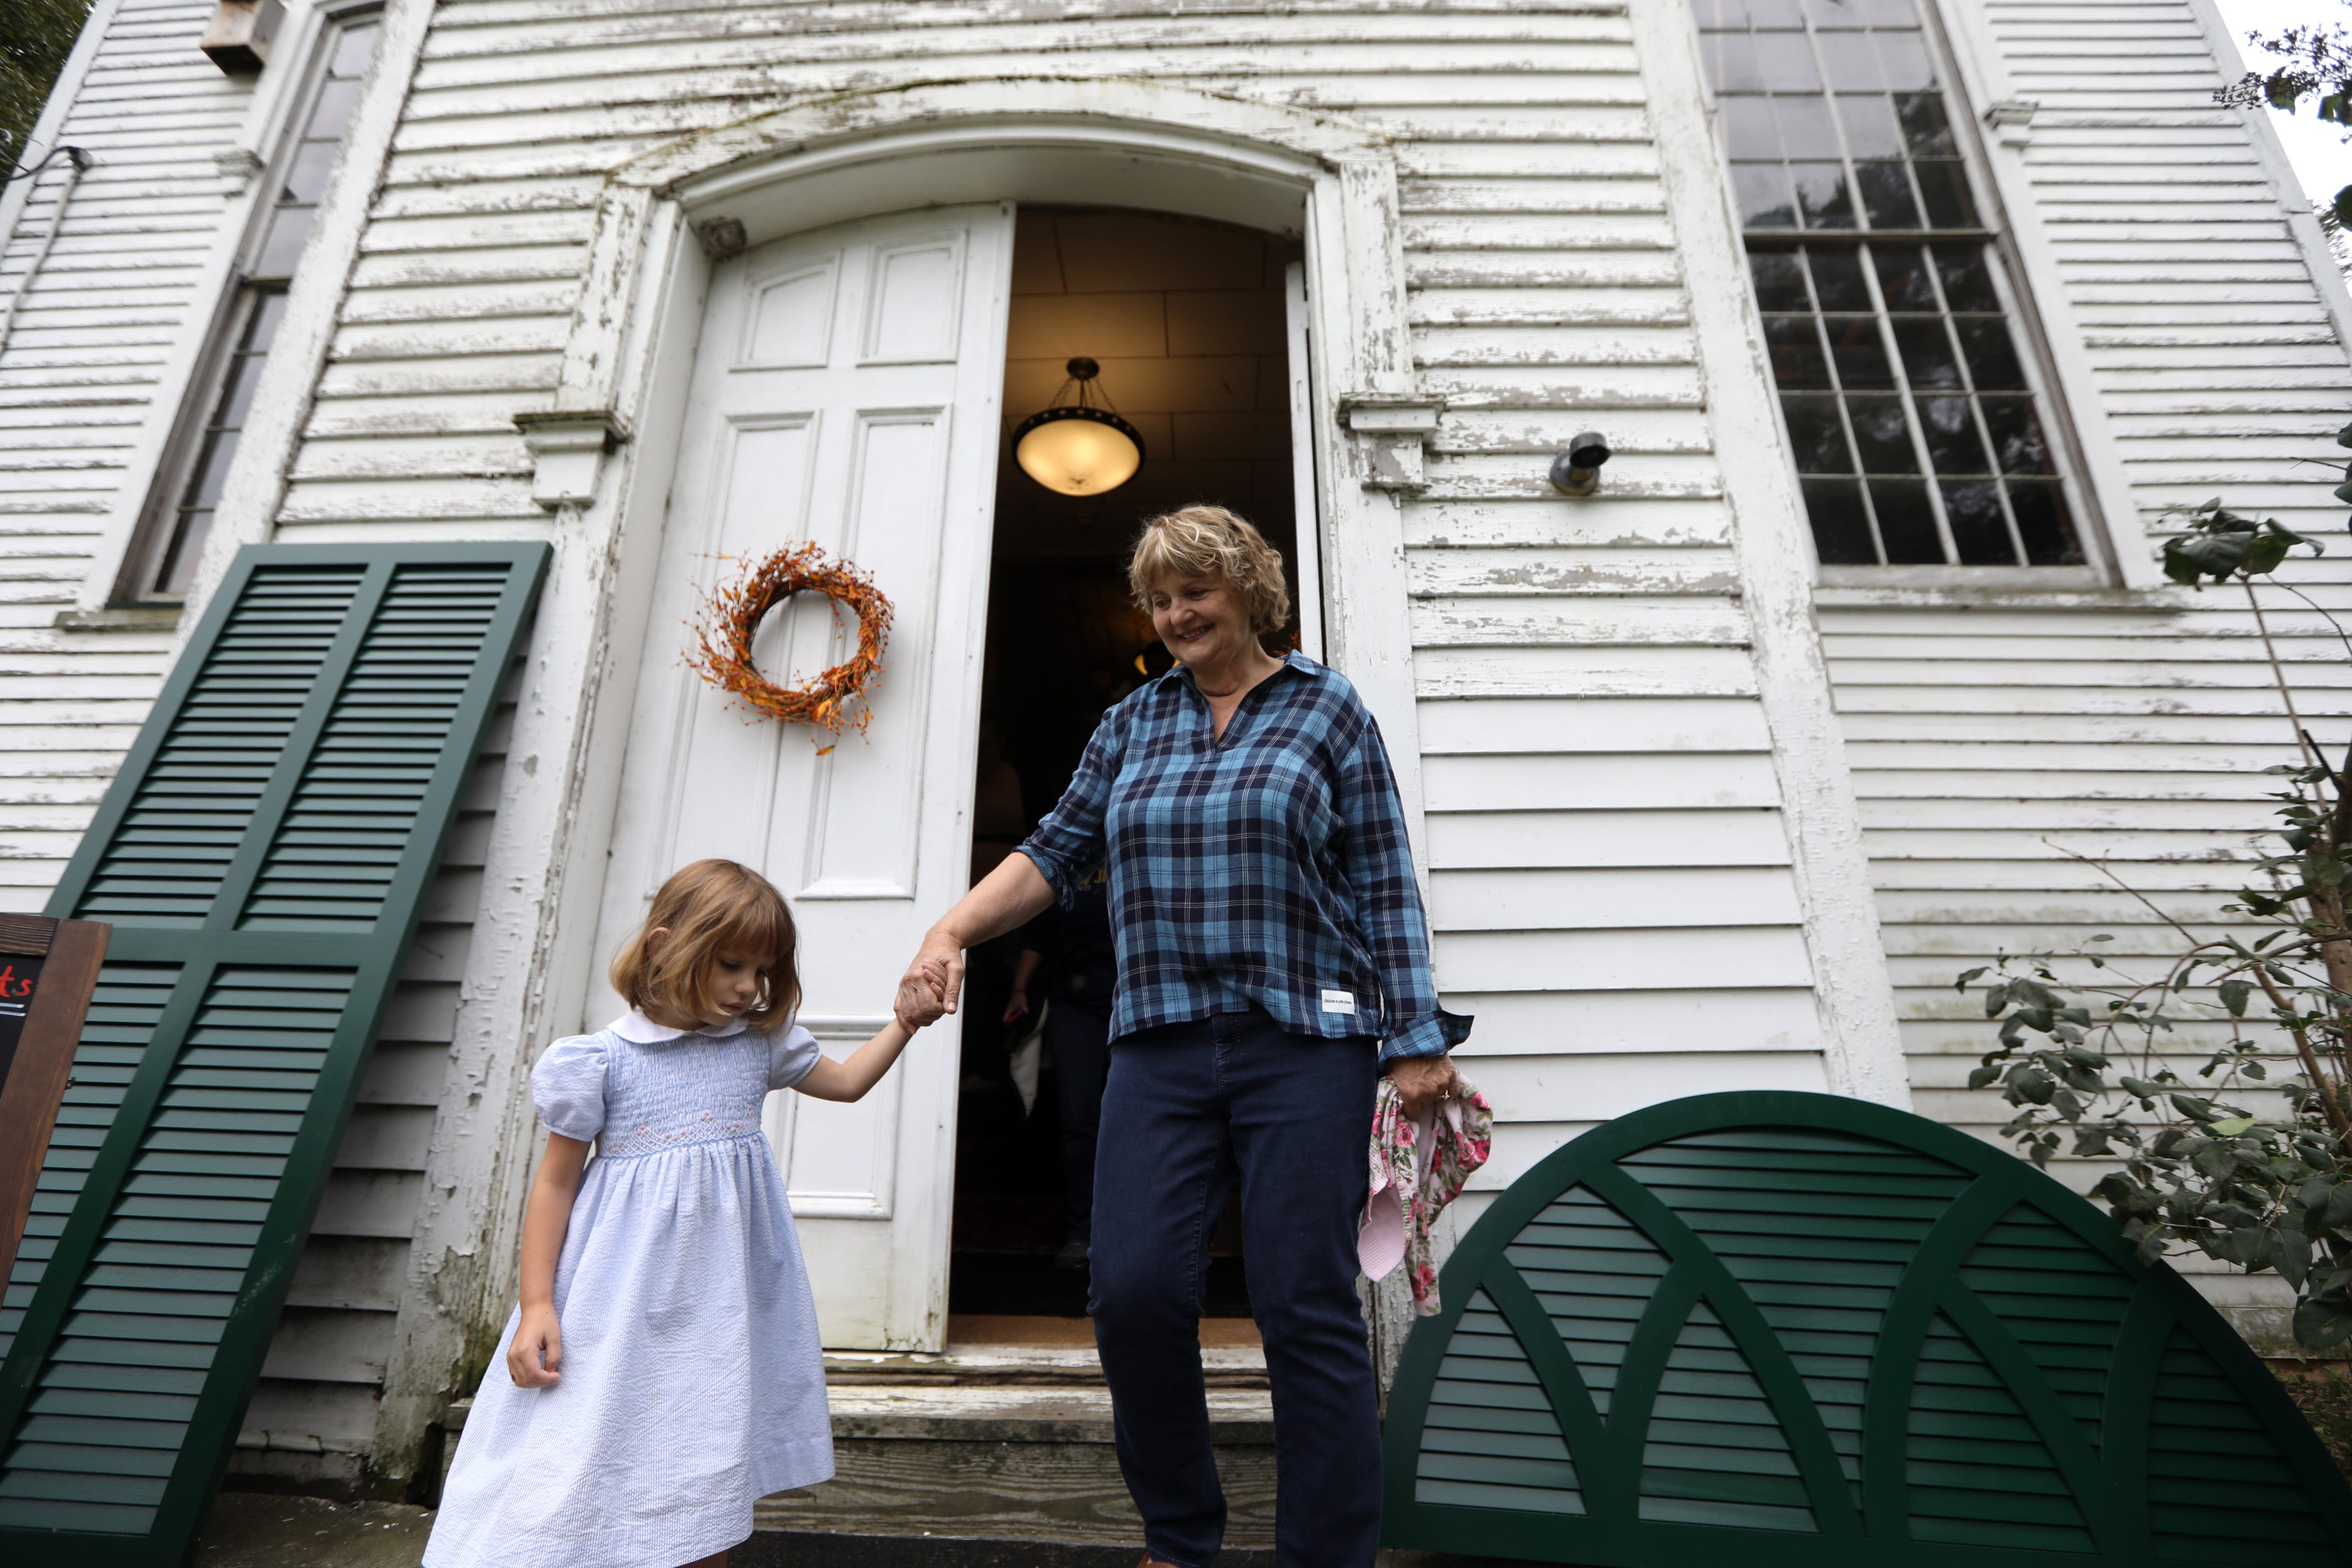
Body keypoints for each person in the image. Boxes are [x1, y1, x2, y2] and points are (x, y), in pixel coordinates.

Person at [898, 505, 1469, 1568]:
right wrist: (951, 929)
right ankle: (1178, 1537)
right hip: (1156, 1042)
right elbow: (1055, 849)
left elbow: (1385, 884)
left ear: (1248, 590)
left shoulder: (1326, 710)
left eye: (1193, 593)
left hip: (1303, 1042)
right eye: (1158, 600)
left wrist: (1415, 1036)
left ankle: (1328, 1554)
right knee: (1134, 1288)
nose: (1173, 615)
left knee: (1304, 1303)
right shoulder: (1131, 723)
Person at [425, 859, 929, 1568]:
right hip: (618, 1297)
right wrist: (537, 1304)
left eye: (763, 969)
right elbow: (555, 1186)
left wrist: (904, 1022)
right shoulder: (600, 1061)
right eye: (731, 964)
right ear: (664, 944)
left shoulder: (759, 1046)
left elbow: (845, 1083)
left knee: (703, 1450)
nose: (749, 986)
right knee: (591, 1439)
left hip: (720, 1304)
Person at [1002, 867, 1116, 1268]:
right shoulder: (1066, 862)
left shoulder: (1144, 844)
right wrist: (1020, 990)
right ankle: (1081, 1234)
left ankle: (1136, 1234)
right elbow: (1038, 936)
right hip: (1074, 1005)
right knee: (1079, 1120)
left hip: (1137, 1001)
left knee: (1139, 1120)